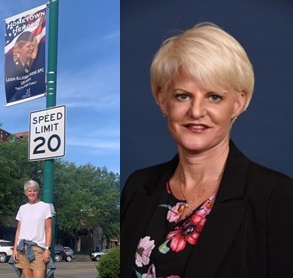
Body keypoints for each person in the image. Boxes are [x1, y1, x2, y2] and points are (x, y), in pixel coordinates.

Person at [120, 22, 293, 278]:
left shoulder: (278, 198)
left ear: (238, 103)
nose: (196, 111)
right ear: (162, 99)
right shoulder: (138, 187)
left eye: (214, 96)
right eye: (182, 96)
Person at [13, 180, 52, 278]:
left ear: (38, 192)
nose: (32, 193)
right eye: (29, 191)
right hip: (23, 248)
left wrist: (47, 249)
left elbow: (48, 230)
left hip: (38, 249)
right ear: (26, 193)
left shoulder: (45, 207)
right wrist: (15, 249)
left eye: (34, 190)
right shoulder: (22, 208)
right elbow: (18, 230)